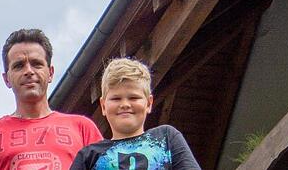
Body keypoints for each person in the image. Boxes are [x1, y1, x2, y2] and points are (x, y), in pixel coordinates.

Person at [0, 28, 103, 170]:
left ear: (50, 73)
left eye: (36, 63)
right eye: (19, 66)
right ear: (6, 79)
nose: (29, 71)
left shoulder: (83, 128)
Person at [71, 58, 201, 170]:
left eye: (133, 98)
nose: (125, 104)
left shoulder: (167, 138)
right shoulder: (89, 156)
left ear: (149, 103)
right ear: (103, 106)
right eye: (116, 99)